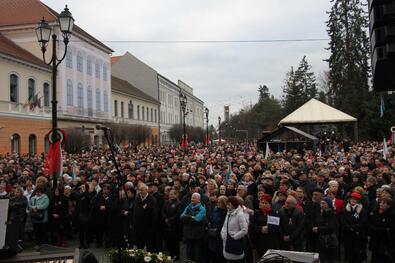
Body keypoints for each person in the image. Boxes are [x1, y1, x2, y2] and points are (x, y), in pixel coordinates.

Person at [249, 193, 280, 258]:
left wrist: (268, 229)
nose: (264, 205)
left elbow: (276, 227)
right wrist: (261, 228)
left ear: (270, 204)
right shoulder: (256, 213)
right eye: (262, 202)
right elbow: (252, 226)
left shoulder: (274, 213)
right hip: (260, 242)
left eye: (266, 203)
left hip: (271, 242)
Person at [221, 196, 248, 263]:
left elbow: (245, 230)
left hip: (235, 243)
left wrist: (235, 236)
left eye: (229, 204)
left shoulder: (240, 214)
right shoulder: (229, 212)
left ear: (234, 204)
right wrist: (223, 234)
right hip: (227, 242)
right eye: (227, 204)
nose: (227, 206)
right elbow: (225, 226)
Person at [180, 192, 207, 263]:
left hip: (197, 235)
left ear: (199, 200)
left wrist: (187, 218)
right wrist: (190, 217)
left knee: (197, 254)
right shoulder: (188, 206)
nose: (192, 199)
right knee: (189, 254)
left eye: (194, 198)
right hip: (188, 234)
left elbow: (197, 220)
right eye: (192, 197)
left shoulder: (202, 209)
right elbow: (181, 217)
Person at [342, 192, 368, 263]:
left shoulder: (362, 210)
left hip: (358, 235)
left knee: (357, 254)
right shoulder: (345, 209)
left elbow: (362, 222)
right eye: (352, 199)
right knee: (349, 253)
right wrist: (348, 227)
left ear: (358, 201)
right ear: (349, 200)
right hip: (348, 234)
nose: (353, 200)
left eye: (355, 199)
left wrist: (353, 227)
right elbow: (343, 220)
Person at [368, 197, 394, 263]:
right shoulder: (375, 212)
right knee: (374, 257)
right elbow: (370, 222)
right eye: (380, 202)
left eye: (384, 203)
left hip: (384, 242)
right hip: (374, 239)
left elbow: (390, 229)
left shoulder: (392, 215)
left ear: (389, 206)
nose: (381, 204)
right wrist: (372, 228)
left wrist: (375, 229)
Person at [133, 183, 157, 251]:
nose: (140, 192)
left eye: (142, 190)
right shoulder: (137, 198)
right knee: (139, 244)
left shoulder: (152, 200)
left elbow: (154, 214)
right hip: (138, 226)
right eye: (139, 190)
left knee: (148, 245)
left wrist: (152, 226)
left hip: (148, 226)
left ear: (146, 190)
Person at [315, 197, 339, 263]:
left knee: (329, 258)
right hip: (322, 239)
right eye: (321, 203)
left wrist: (318, 229)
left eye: (323, 203)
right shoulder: (322, 213)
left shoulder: (332, 214)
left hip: (329, 240)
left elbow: (331, 227)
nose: (321, 205)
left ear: (328, 204)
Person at [208, 195, 228, 263]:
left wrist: (217, 231)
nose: (217, 203)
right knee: (213, 256)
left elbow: (224, 225)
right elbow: (211, 220)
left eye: (220, 202)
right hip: (213, 236)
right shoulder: (215, 210)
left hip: (220, 237)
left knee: (221, 257)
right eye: (218, 201)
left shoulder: (226, 213)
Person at [162, 189, 181, 259]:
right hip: (167, 226)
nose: (171, 196)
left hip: (175, 226)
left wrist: (170, 220)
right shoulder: (166, 202)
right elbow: (163, 211)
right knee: (168, 241)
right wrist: (165, 218)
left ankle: (176, 256)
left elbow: (178, 214)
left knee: (175, 243)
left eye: (173, 194)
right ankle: (170, 255)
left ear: (176, 195)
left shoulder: (178, 203)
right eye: (170, 194)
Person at [29, 185, 49, 250]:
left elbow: (45, 205)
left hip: (43, 218)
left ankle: (44, 245)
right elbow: (29, 205)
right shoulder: (32, 198)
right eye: (37, 192)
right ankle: (37, 244)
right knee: (36, 232)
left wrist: (36, 207)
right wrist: (32, 208)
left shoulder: (45, 197)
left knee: (43, 232)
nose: (38, 193)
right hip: (35, 218)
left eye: (39, 192)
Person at [75, 183, 93, 249]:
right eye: (81, 187)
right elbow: (74, 196)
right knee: (80, 231)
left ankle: (87, 243)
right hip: (80, 215)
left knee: (87, 231)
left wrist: (84, 191)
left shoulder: (88, 194)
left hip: (86, 215)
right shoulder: (79, 195)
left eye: (83, 187)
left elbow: (88, 198)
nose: (82, 188)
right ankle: (81, 243)